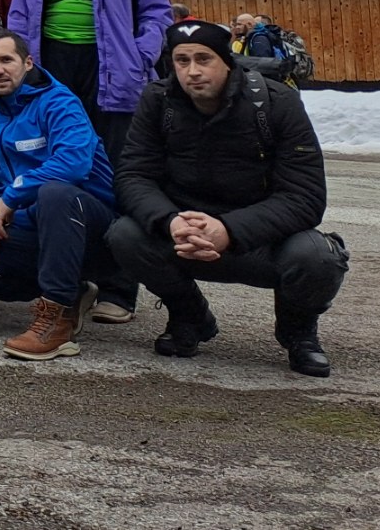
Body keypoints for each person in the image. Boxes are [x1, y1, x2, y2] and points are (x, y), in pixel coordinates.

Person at [108, 19, 346, 377]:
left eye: (204, 59)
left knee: (317, 257)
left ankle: (298, 333)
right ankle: (189, 316)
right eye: (182, 60)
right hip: (184, 236)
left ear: (227, 61)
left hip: (261, 242)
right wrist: (170, 221)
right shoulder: (159, 101)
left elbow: (305, 197)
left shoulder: (277, 103)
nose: (192, 71)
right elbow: (133, 176)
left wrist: (229, 229)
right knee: (124, 235)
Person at [4, 0, 173, 323]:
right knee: (59, 171)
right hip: (54, 67)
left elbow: (157, 13)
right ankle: (71, 282)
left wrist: (140, 54)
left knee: (116, 174)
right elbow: (20, 14)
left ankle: (120, 288)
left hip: (113, 71)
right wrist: (23, 67)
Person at [0, 30, 116, 361]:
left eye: (6, 60)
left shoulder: (59, 102)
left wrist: (12, 198)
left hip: (90, 224)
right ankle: (73, 291)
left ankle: (57, 320)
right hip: (35, 226)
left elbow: (74, 164)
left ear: (27, 62)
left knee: (55, 194)